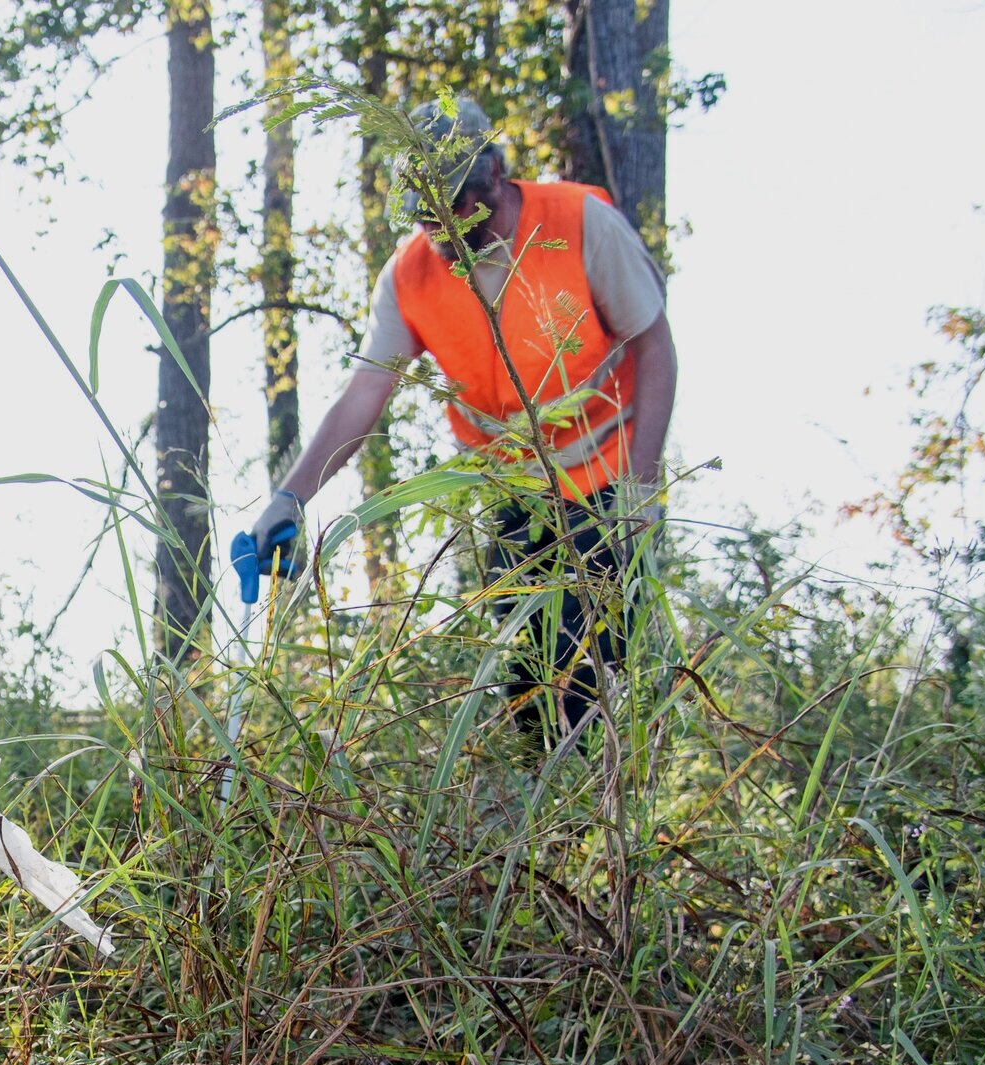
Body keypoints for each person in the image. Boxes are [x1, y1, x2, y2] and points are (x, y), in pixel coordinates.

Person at [256, 94, 679, 742]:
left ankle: (609, 795)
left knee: (592, 674)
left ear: (496, 175)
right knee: (527, 680)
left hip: (607, 479)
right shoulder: (409, 277)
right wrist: (289, 497)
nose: (442, 229)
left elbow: (655, 348)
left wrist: (641, 492)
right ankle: (543, 797)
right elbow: (366, 391)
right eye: (426, 215)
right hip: (513, 492)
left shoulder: (580, 223)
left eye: (455, 207)